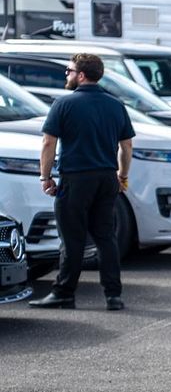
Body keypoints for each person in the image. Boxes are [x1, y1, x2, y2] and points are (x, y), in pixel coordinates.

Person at [28, 53, 133, 311]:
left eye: (69, 70)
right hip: (106, 178)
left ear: (81, 75)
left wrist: (45, 177)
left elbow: (48, 143)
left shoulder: (64, 105)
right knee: (105, 238)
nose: (67, 74)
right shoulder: (115, 105)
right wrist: (122, 176)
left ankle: (64, 292)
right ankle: (113, 295)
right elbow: (126, 146)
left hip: (76, 179)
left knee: (72, 239)